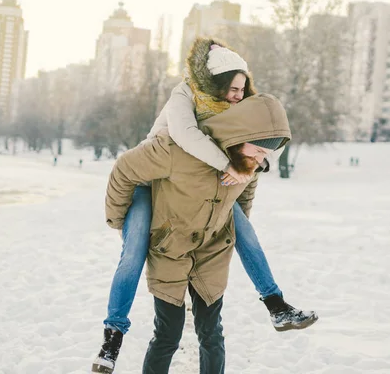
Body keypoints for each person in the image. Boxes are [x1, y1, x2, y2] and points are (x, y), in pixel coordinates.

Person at [92, 38, 317, 373]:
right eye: (234, 88)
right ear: (216, 82)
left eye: (244, 88)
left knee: (245, 234)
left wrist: (250, 172)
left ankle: (276, 303)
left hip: (204, 208)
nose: (240, 95)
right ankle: (113, 336)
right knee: (133, 251)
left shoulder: (239, 110)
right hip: (150, 178)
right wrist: (117, 218)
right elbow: (184, 135)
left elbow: (265, 139)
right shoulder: (185, 95)